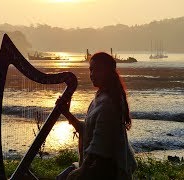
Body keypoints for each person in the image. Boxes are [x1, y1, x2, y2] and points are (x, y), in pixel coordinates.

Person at [56, 52, 137, 180]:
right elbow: (86, 129)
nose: (92, 74)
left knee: (66, 177)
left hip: (112, 171)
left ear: (108, 73)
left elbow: (98, 149)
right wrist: (66, 113)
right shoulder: (100, 97)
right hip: (100, 166)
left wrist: (81, 171)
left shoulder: (108, 103)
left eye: (97, 70)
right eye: (91, 70)